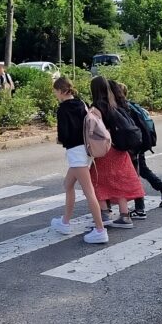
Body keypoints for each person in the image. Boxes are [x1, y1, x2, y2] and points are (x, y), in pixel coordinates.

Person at [51, 76, 108, 244]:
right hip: (86, 150)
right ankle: (64, 222)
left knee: (89, 192)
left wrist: (59, 139)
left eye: (55, 91)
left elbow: (64, 136)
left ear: (61, 91)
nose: (55, 94)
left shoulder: (63, 109)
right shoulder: (81, 103)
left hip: (76, 152)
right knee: (68, 185)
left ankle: (100, 230)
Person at [109, 81, 162, 220]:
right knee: (142, 169)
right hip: (139, 144)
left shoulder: (123, 108)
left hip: (132, 147)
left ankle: (140, 208)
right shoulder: (131, 106)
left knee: (134, 175)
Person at [90, 76, 145, 229]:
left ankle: (104, 214)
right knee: (119, 182)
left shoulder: (95, 108)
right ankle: (125, 216)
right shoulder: (113, 104)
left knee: (96, 180)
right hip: (120, 149)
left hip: (106, 150)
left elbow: (94, 131)